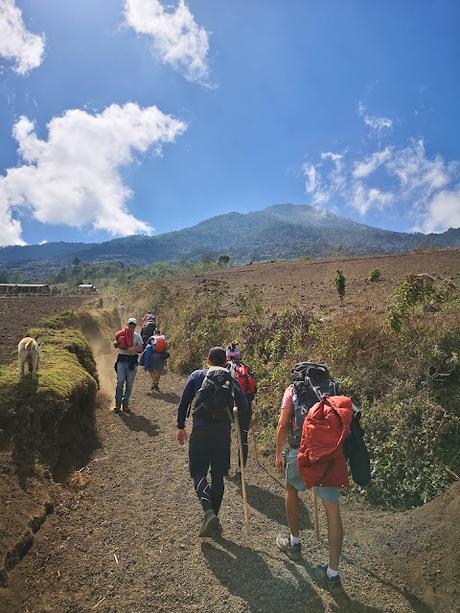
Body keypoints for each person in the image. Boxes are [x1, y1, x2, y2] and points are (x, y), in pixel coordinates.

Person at [274, 382, 345, 588]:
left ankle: (294, 543)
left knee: (291, 488)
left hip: (302, 451)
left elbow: (283, 424)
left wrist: (279, 453)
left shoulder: (292, 389)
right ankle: (332, 574)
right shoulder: (330, 388)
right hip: (329, 455)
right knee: (332, 510)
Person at [176, 347, 248, 537]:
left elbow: (184, 403)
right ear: (225, 361)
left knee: (197, 471)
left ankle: (208, 512)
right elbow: (244, 405)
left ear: (208, 360)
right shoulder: (230, 378)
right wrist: (243, 428)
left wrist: (180, 426)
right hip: (222, 433)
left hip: (200, 430)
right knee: (218, 475)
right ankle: (213, 518)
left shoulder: (197, 375)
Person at [226, 342, 256, 471]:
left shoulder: (225, 368)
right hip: (246, 405)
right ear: (239, 355)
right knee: (242, 436)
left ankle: (225, 465)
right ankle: (241, 468)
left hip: (228, 407)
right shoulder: (246, 368)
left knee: (225, 435)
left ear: (227, 356)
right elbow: (254, 389)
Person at [113, 317, 143, 414]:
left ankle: (125, 404)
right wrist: (118, 342)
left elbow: (141, 349)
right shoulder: (121, 334)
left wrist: (135, 349)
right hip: (122, 359)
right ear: (127, 325)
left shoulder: (138, 336)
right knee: (120, 381)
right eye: (130, 324)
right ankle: (118, 404)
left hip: (132, 361)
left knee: (129, 384)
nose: (131, 326)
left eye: (133, 325)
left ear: (135, 326)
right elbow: (115, 345)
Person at [140, 328, 169, 392]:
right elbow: (166, 348)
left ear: (154, 333)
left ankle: (154, 381)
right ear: (159, 333)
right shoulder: (163, 338)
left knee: (151, 369)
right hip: (161, 357)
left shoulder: (151, 338)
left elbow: (147, 348)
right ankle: (156, 383)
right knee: (158, 370)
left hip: (153, 356)